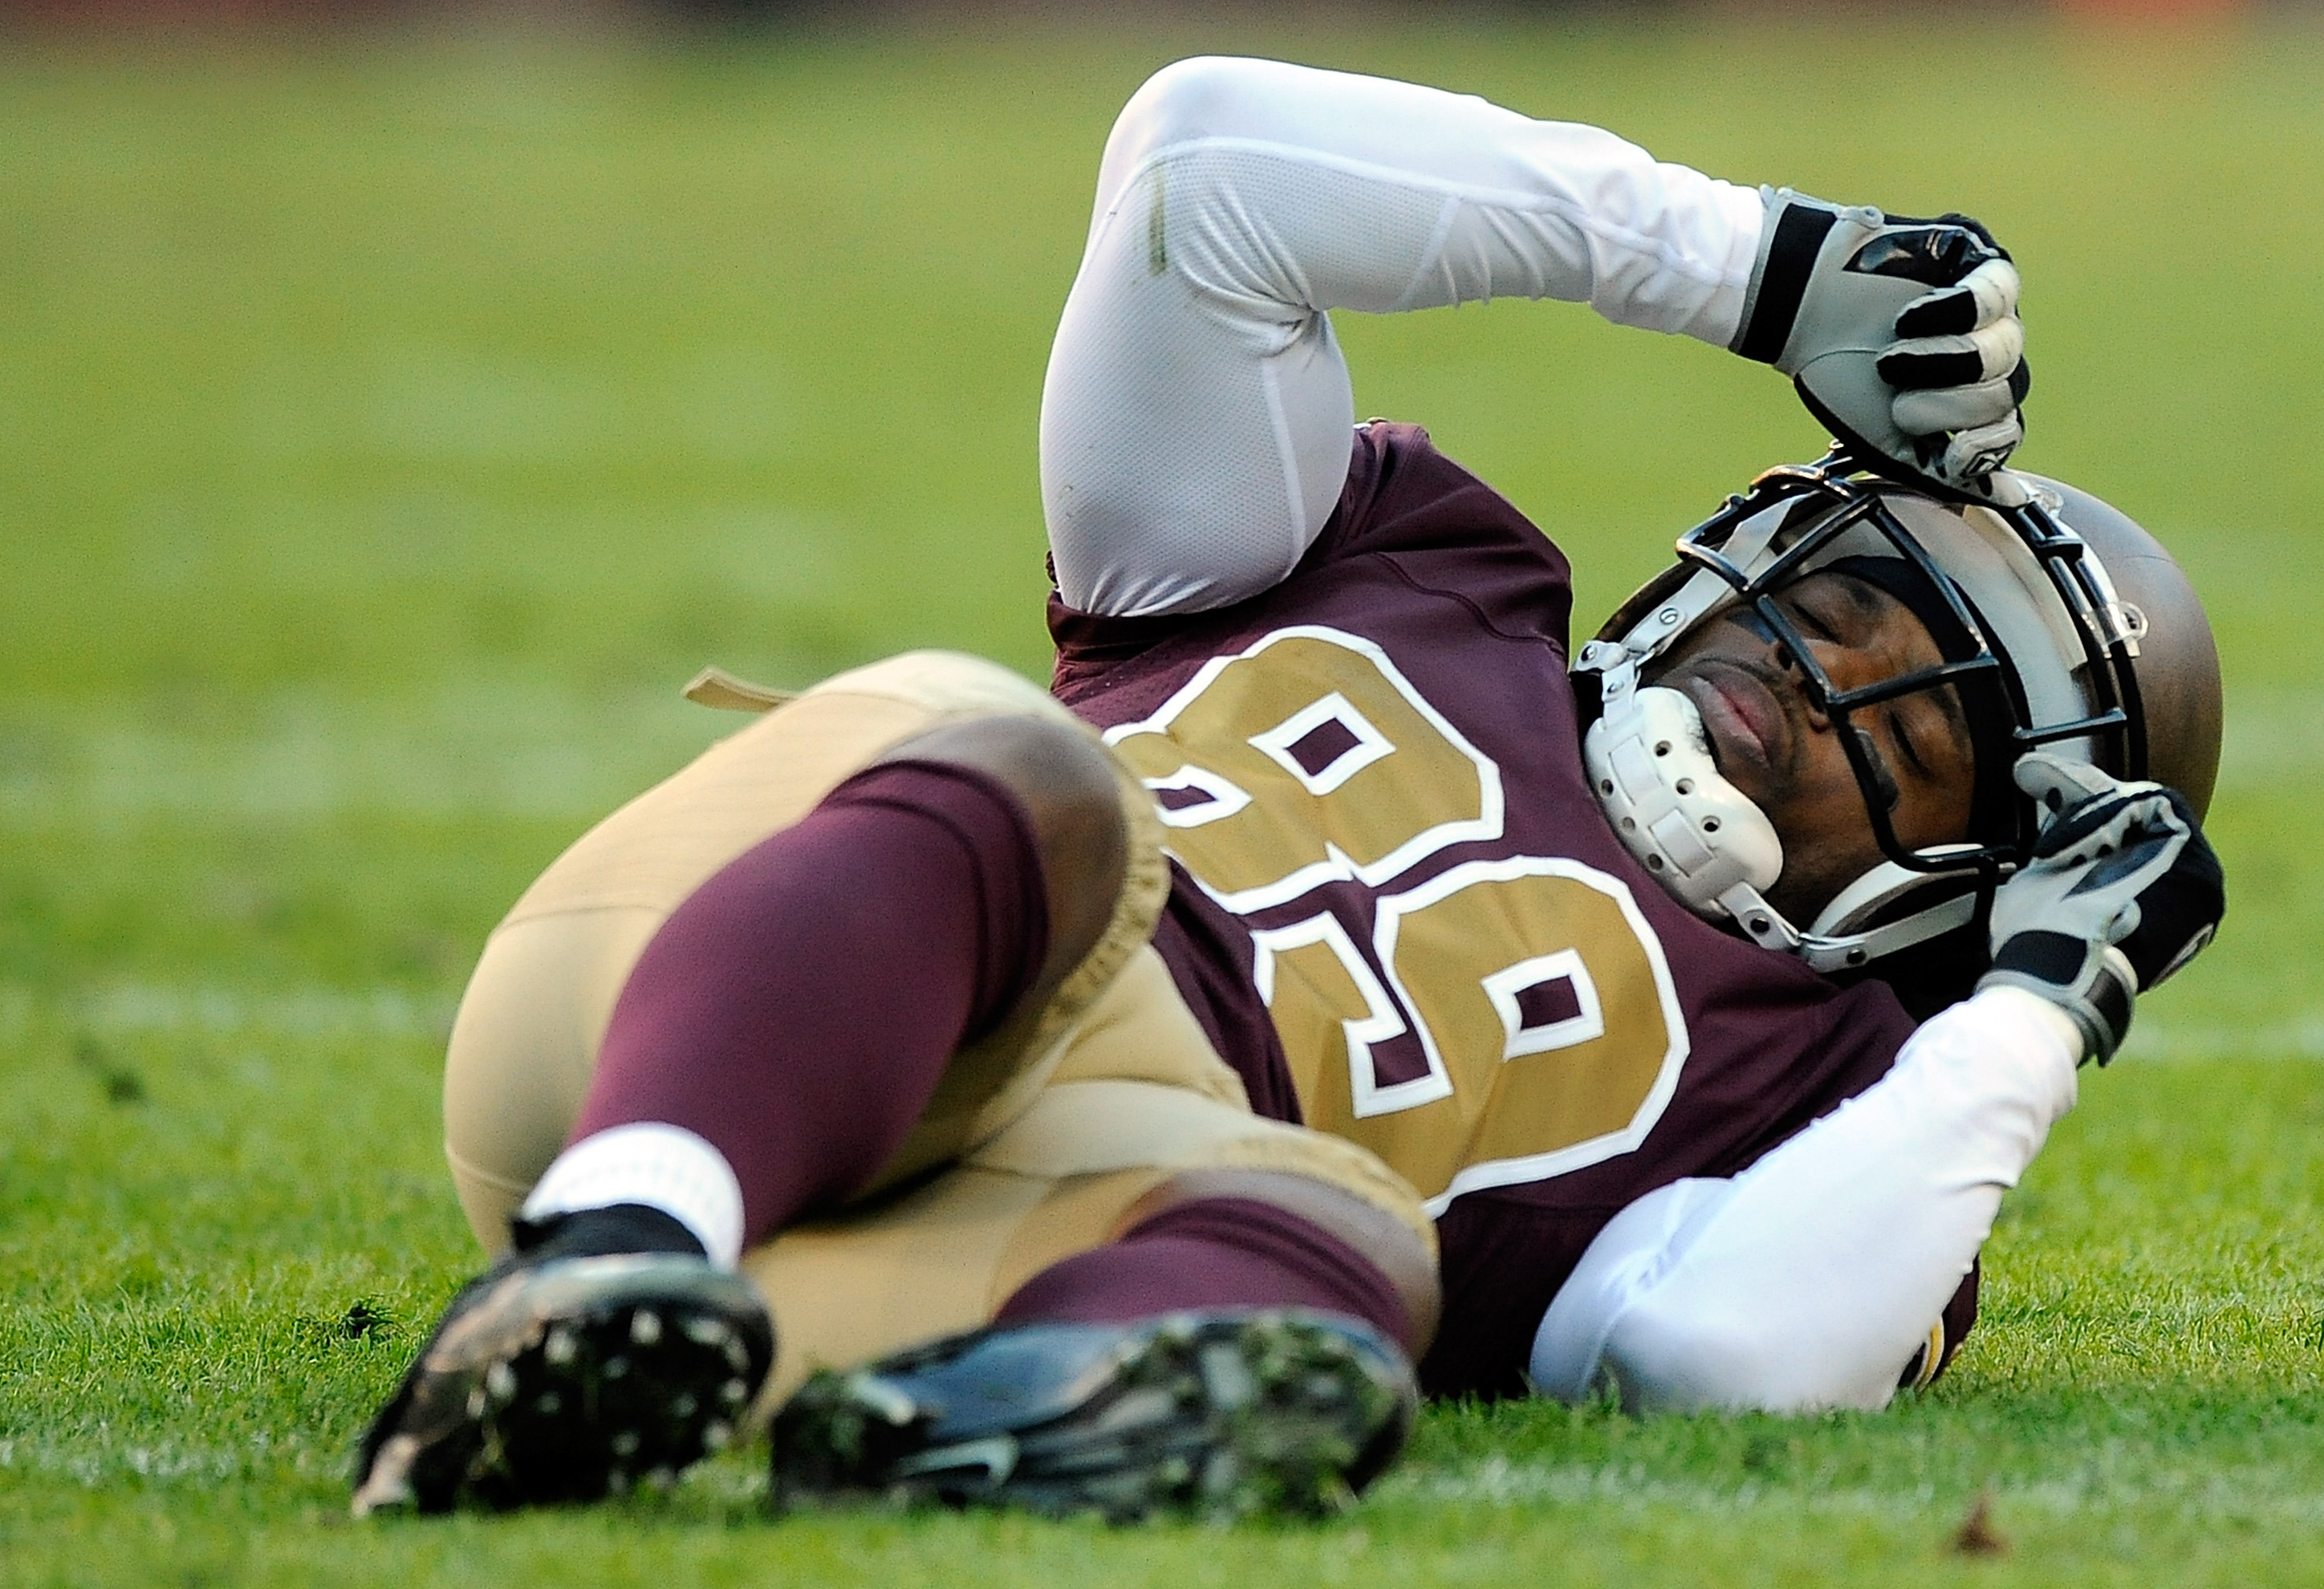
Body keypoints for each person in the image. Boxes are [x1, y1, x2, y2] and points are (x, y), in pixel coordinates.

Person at [351, 56, 2224, 1521]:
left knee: (1337, 1271)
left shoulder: (1820, 1105)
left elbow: (1713, 1361)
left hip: (1028, 1216)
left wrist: (2032, 1020)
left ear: (1968, 885)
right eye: (1826, 618)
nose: (1800, 697)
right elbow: (1201, 166)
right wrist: (1751, 263)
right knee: (1015, 769)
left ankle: (850, 1428)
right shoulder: (1409, 563)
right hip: (739, 995)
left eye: (1892, 746)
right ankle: (615, 1245)